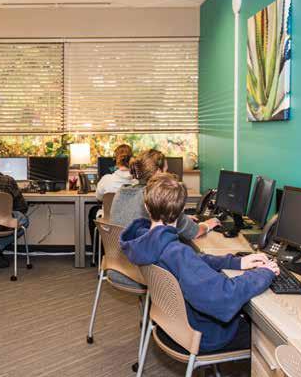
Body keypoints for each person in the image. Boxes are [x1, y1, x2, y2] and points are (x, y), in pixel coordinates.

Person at [120, 173, 278, 352]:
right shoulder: (177, 252)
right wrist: (264, 273)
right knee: (267, 337)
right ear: (181, 209)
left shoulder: (147, 243)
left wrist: (236, 262)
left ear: (146, 206)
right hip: (202, 335)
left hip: (171, 323)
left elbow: (194, 261)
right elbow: (224, 296)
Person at [110, 149, 219, 240]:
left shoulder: (121, 192)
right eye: (166, 170)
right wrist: (207, 225)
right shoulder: (158, 196)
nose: (168, 174)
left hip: (119, 254)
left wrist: (180, 218)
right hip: (145, 259)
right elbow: (194, 232)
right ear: (158, 172)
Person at [88, 144, 135, 246]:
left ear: (116, 160)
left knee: (93, 211)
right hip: (131, 225)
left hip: (110, 224)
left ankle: (99, 252)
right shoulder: (137, 182)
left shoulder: (107, 179)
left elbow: (98, 197)